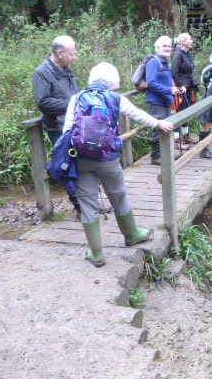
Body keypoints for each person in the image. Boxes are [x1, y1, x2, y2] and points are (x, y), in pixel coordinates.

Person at [63, 62, 174, 267]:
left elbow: (67, 130)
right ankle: (131, 234)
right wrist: (158, 123)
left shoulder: (77, 98)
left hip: (81, 159)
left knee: (88, 204)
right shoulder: (115, 97)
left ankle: (96, 253)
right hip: (108, 157)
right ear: (112, 82)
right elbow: (137, 114)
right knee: (118, 195)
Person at [33, 35, 81, 214]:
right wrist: (72, 104)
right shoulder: (42, 73)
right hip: (58, 129)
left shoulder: (66, 69)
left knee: (82, 164)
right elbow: (43, 102)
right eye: (71, 54)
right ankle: (79, 207)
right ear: (60, 53)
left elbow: (73, 94)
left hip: (74, 126)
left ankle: (88, 203)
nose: (74, 57)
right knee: (67, 165)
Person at [146, 35, 186, 165]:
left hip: (165, 100)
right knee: (159, 128)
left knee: (167, 128)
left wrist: (177, 89)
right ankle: (156, 156)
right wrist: (169, 90)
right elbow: (151, 82)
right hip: (156, 101)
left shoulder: (164, 62)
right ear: (157, 47)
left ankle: (165, 154)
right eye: (164, 46)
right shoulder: (154, 62)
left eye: (169, 46)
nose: (167, 48)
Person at [171, 33, 200, 145]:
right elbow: (174, 71)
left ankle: (185, 135)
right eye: (189, 39)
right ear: (183, 41)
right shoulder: (178, 54)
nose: (192, 41)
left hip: (188, 87)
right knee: (179, 113)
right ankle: (177, 138)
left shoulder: (187, 53)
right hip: (181, 89)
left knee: (186, 111)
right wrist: (180, 85)